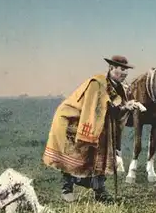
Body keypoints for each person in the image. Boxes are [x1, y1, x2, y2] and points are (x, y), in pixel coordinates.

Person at [42, 55, 145, 204]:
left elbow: (114, 107)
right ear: (111, 68)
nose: (125, 73)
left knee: (99, 156)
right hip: (73, 120)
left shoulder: (119, 86)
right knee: (76, 155)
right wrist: (123, 107)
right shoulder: (98, 83)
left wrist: (126, 106)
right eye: (121, 69)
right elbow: (97, 108)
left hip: (95, 123)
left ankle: (99, 191)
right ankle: (67, 188)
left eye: (126, 70)